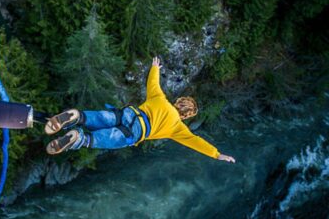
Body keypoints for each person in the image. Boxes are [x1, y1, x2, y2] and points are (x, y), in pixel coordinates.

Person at [45, 57, 235, 163]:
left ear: (178, 102)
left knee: (101, 117)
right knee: (98, 139)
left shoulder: (160, 98)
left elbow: (153, 82)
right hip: (136, 131)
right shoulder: (177, 128)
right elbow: (195, 142)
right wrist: (217, 154)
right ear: (186, 116)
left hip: (129, 113)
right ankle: (78, 138)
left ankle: (76, 116)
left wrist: (155, 68)